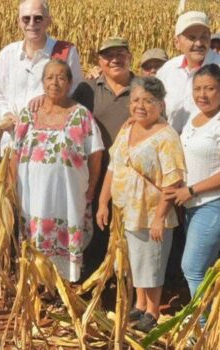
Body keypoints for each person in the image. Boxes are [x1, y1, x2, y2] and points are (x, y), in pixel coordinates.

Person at [96, 77, 185, 332]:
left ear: (161, 104)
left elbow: (173, 181)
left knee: (152, 261)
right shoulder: (128, 128)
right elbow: (114, 166)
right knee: (136, 260)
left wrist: (159, 217)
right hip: (126, 209)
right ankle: (140, 303)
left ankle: (153, 311)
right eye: (136, 100)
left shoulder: (167, 136)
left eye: (149, 101)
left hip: (152, 210)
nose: (141, 106)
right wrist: (103, 202)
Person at [14, 59, 104, 282]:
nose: (55, 82)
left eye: (61, 77)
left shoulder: (81, 115)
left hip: (68, 197)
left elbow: (95, 154)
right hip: (32, 197)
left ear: (70, 82)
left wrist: (92, 187)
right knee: (34, 236)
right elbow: (14, 152)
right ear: (42, 82)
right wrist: (11, 188)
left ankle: (63, 287)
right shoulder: (29, 114)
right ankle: (36, 284)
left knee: (66, 236)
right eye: (49, 77)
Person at [163, 64, 220, 298]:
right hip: (194, 205)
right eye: (198, 88)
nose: (203, 94)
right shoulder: (193, 119)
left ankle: (200, 325)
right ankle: (209, 321)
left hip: (216, 204)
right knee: (203, 268)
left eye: (209, 88)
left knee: (193, 268)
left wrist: (191, 190)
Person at [71, 36, 135, 277]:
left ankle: (123, 282)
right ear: (99, 61)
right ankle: (94, 281)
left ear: (129, 56)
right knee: (95, 228)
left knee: (127, 230)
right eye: (108, 55)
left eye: (120, 53)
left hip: (130, 175)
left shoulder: (142, 88)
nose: (115, 59)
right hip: (95, 172)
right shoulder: (87, 89)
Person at [0, 0, 84, 151]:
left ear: (49, 21)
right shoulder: (7, 54)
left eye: (38, 18)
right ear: (18, 21)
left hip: (49, 147)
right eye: (26, 18)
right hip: (12, 144)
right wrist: (6, 114)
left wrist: (50, 99)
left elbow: (77, 93)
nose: (32, 23)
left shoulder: (65, 52)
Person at [156, 11, 220, 134]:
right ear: (177, 42)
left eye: (204, 37)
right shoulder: (168, 69)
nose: (199, 43)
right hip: (173, 146)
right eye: (192, 38)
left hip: (209, 148)